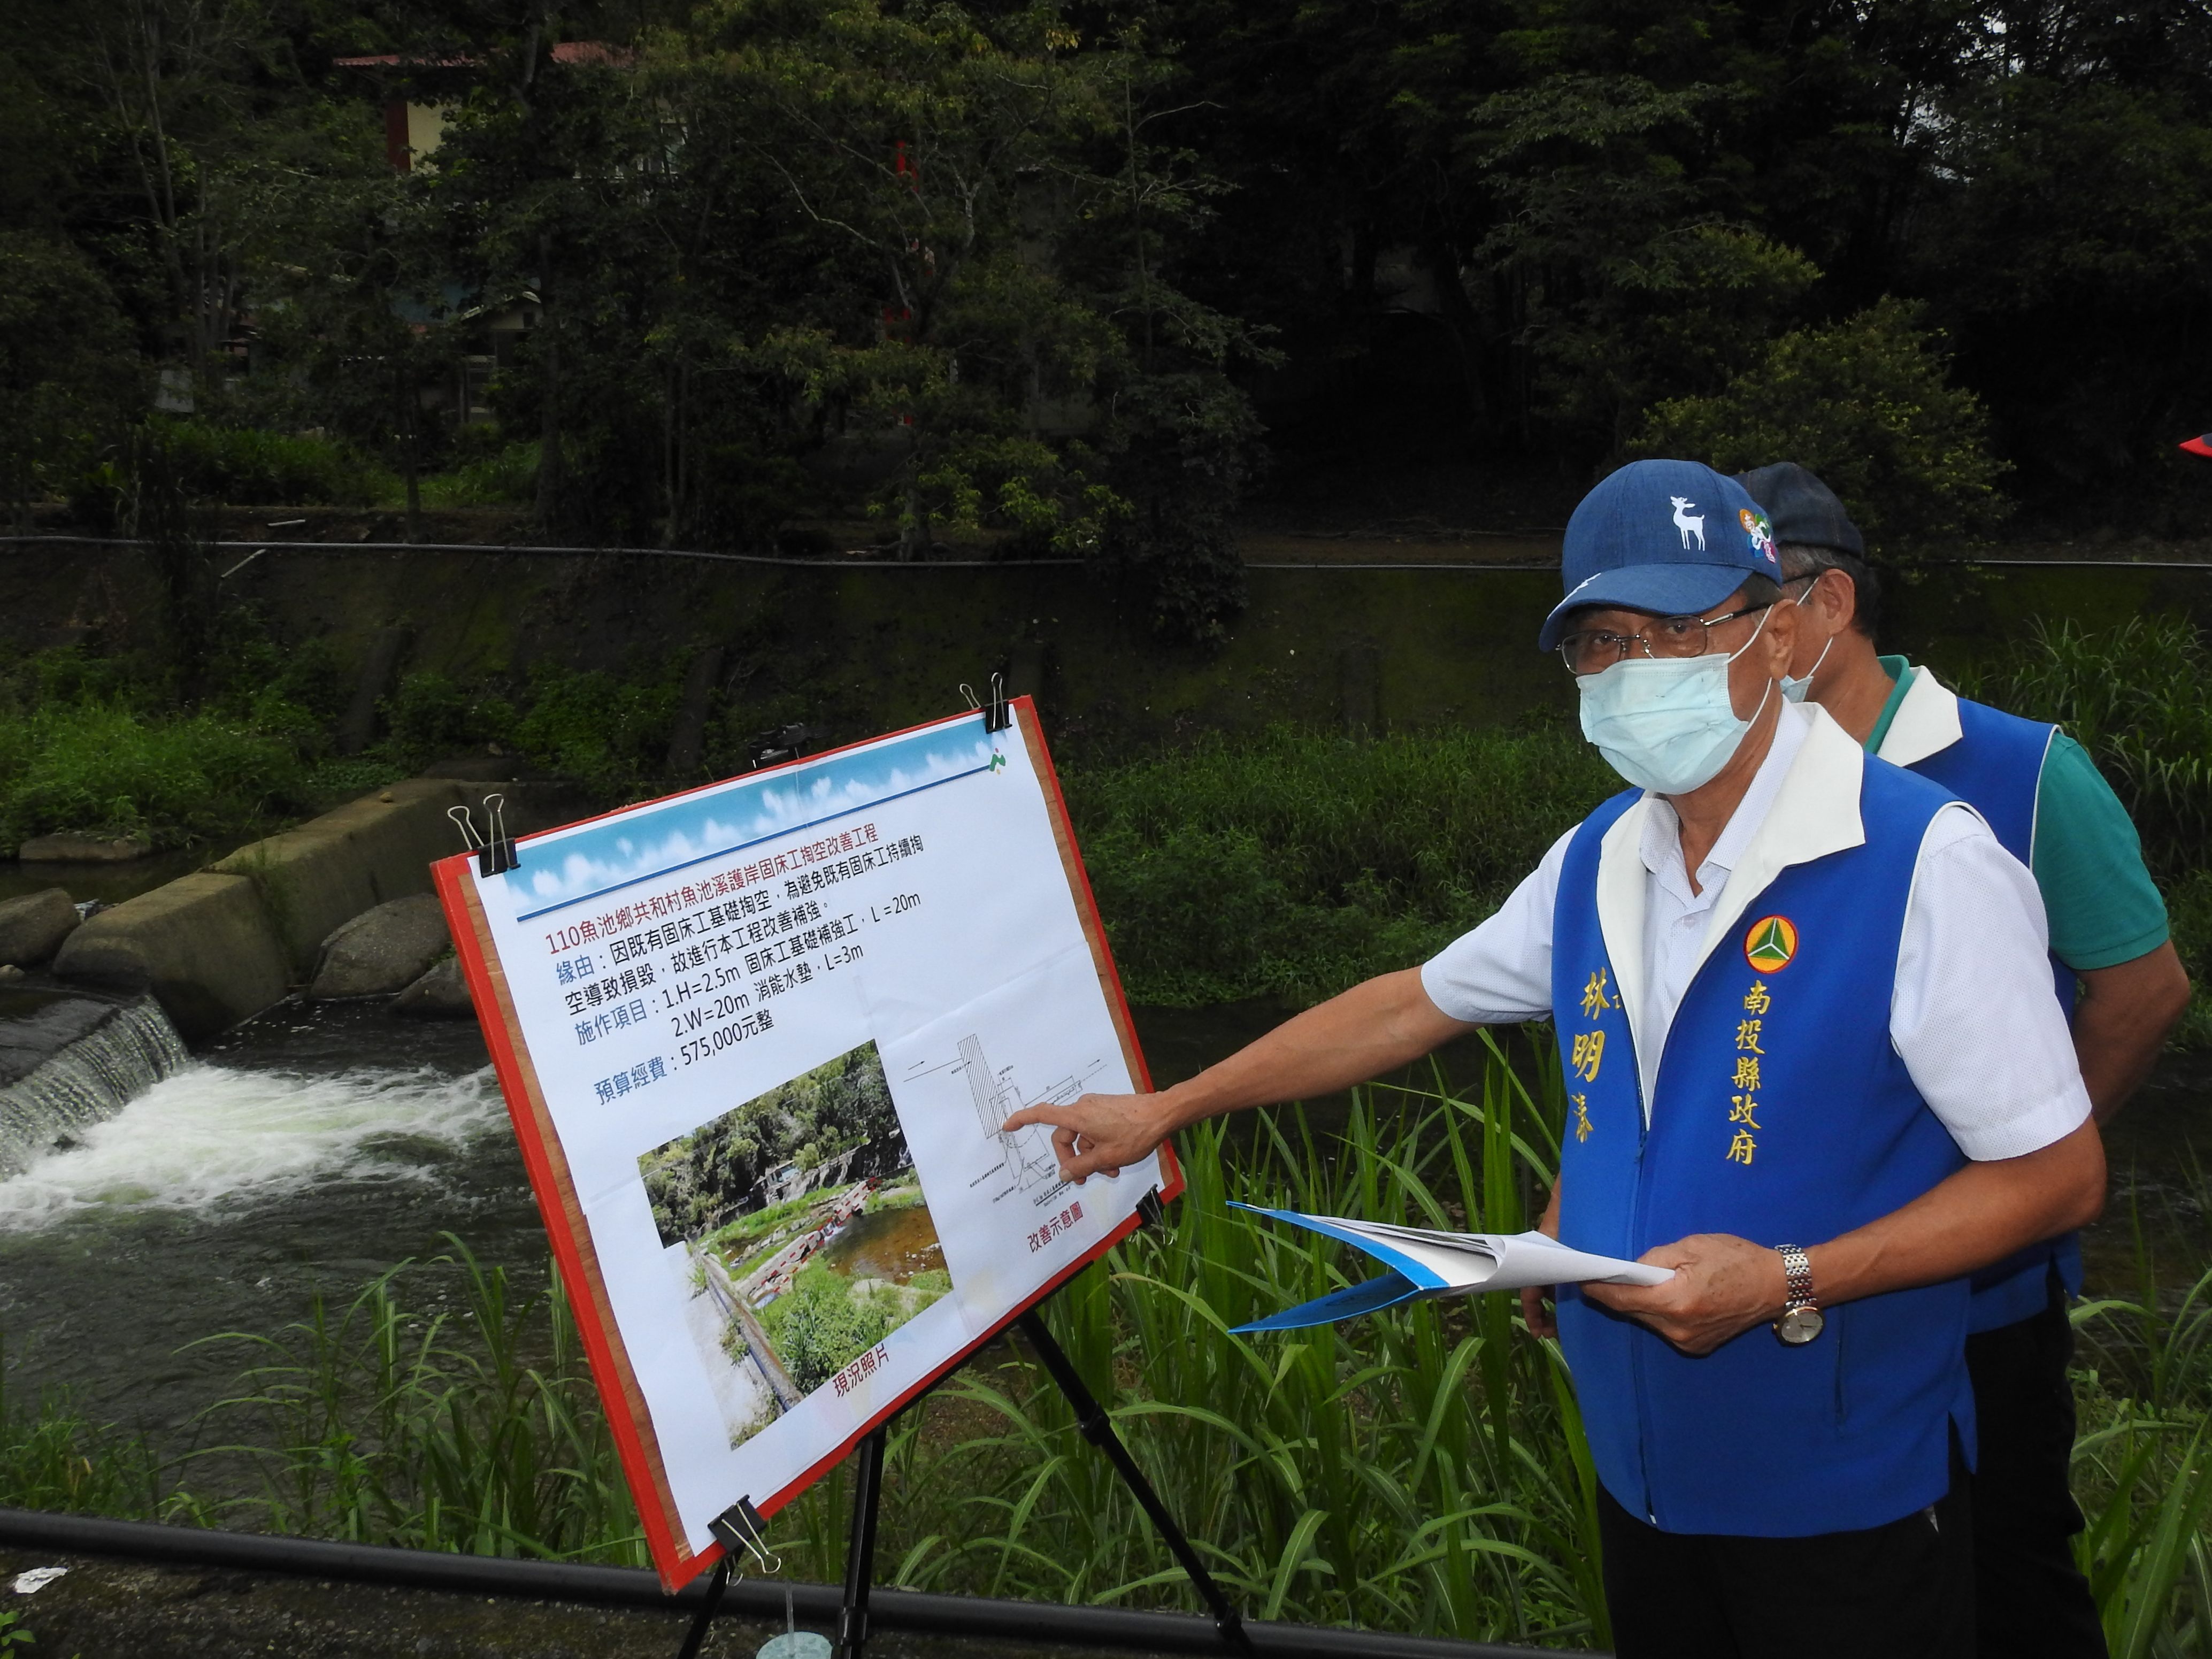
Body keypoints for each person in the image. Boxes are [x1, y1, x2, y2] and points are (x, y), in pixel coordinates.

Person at [1005, 458, 2107, 1657]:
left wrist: (1789, 1278)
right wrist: (1169, 1106)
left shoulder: (1923, 861)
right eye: (1601, 643)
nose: (1637, 669)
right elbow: (1409, 1006)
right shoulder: (1599, 855)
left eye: (1679, 629)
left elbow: (2057, 1177)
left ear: (1781, 633)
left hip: (1840, 1493)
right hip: (1643, 1474)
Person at [1737, 460, 2192, 1659]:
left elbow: (2143, 990)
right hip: (1780, 1279)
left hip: (1977, 1300)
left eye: (1740, 609)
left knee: (2005, 1580)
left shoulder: (2022, 772)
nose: (1711, 646)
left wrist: (2023, 1163)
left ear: (1830, 603)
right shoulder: (1732, 783)